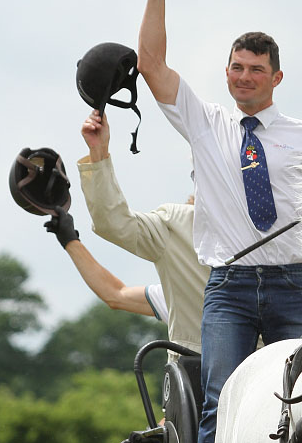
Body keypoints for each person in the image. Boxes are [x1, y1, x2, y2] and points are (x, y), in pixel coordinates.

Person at [136, 0, 302, 443]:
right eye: (237, 67)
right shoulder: (206, 123)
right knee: (221, 401)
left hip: (294, 281)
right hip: (230, 287)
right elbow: (151, 65)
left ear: (276, 77)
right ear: (227, 72)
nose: (244, 77)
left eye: (256, 69)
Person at [78, 110, 209, 355]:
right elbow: (115, 293)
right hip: (204, 371)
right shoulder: (176, 227)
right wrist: (98, 152)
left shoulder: (278, 226)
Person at [45, 206, 170, 323]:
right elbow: (116, 294)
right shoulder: (177, 294)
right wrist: (70, 240)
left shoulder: (178, 295)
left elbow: (116, 295)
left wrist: (70, 240)